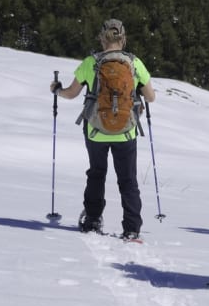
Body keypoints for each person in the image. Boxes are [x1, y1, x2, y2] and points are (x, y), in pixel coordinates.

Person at [50, 18, 155, 240]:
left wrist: (57, 90)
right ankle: (132, 228)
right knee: (128, 179)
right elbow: (151, 97)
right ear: (123, 37)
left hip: (95, 131)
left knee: (96, 174)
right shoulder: (135, 63)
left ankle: (93, 220)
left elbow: (71, 93)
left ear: (102, 37)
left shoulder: (92, 62)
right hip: (126, 131)